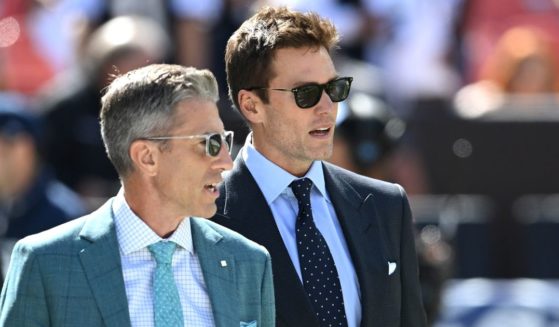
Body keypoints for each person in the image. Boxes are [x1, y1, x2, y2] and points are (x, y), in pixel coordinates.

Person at [0, 64, 275, 326]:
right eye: (209, 143)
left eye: (225, 140)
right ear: (147, 157)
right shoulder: (45, 263)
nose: (227, 162)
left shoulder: (249, 261)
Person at [212, 6, 427, 327]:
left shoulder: (386, 205)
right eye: (306, 93)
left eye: (334, 88)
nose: (328, 107)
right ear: (251, 105)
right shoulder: (204, 213)